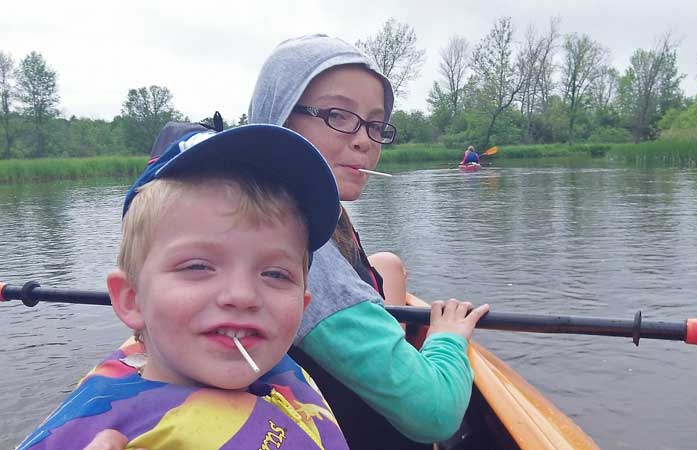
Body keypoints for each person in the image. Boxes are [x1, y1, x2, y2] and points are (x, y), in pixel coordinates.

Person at [85, 34, 490, 450]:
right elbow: (434, 414)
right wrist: (447, 337)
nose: (364, 140)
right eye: (338, 114)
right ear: (278, 117)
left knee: (387, 263)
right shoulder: (309, 255)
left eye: (374, 124)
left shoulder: (320, 218)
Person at [18, 124, 348, 450]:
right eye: (198, 267)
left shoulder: (276, 372)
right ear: (132, 300)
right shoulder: (110, 439)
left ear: (302, 306)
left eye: (275, 274)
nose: (243, 296)